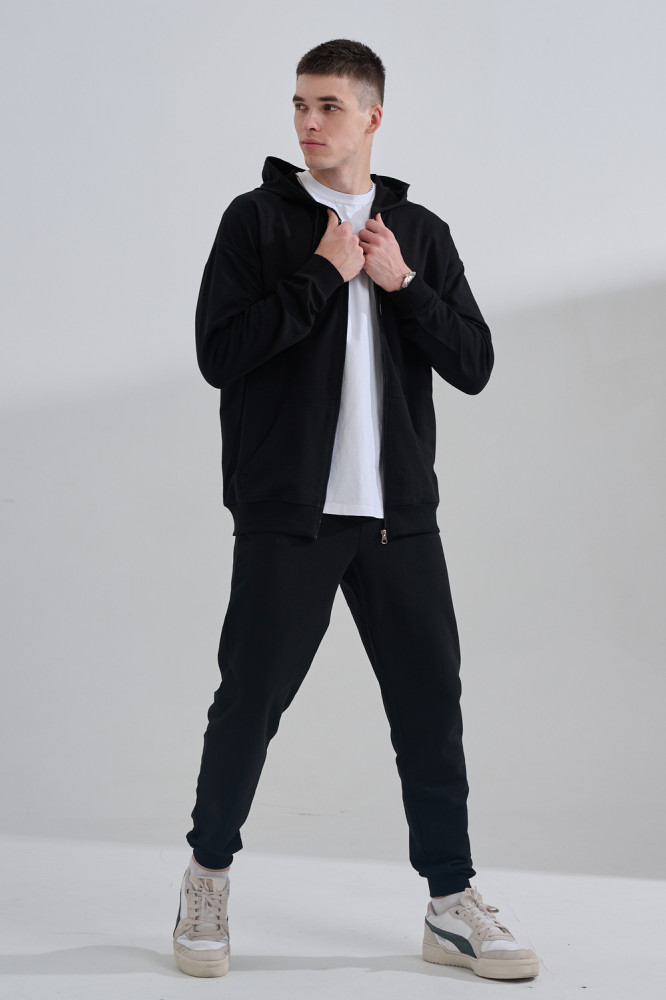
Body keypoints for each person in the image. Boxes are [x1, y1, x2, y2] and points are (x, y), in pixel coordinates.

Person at [172, 39, 539, 981]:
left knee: (430, 705)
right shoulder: (256, 221)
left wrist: (402, 284)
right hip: (290, 513)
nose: (308, 121)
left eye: (329, 105)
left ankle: (451, 903)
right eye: (300, 104)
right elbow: (220, 352)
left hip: (398, 517)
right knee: (250, 701)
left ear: (373, 116)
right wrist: (322, 274)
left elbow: (474, 363)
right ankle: (207, 879)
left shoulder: (419, 231)